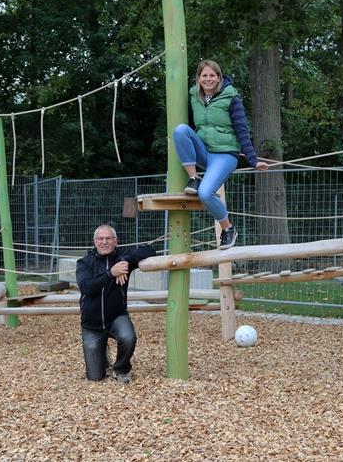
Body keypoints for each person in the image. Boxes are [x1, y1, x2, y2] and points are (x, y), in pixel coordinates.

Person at [173, 60, 269, 249]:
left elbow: (242, 131)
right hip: (204, 150)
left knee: (205, 193)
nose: (208, 79)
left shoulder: (231, 97)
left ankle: (228, 229)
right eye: (204, 76)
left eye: (212, 75)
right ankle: (193, 177)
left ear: (219, 78)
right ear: (198, 79)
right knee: (180, 130)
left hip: (224, 154)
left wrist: (253, 160)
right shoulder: (194, 95)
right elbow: (192, 127)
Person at [76, 225, 155, 384]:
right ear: (94, 242)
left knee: (128, 337)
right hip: (92, 325)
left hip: (117, 316)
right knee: (95, 377)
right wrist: (111, 273)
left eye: (108, 238)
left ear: (116, 241)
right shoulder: (84, 262)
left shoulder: (122, 258)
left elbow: (149, 250)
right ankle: (101, 350)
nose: (104, 242)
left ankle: (121, 368)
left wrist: (123, 262)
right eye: (100, 239)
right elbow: (87, 288)